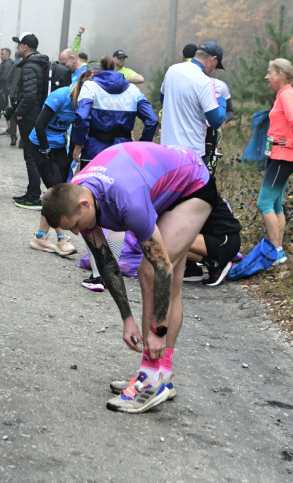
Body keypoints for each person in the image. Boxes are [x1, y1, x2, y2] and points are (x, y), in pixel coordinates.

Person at [42, 142, 216, 414]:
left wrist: (158, 331)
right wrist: (127, 318)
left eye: (75, 225)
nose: (77, 233)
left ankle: (150, 376)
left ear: (84, 204)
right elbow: (106, 262)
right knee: (172, 286)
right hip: (159, 184)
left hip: (192, 187)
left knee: (150, 272)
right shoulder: (78, 191)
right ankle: (162, 375)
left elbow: (162, 270)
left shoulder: (125, 199)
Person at [71, 57, 159, 170]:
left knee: (90, 187)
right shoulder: (133, 89)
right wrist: (142, 145)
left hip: (94, 152)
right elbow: (152, 120)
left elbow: (82, 116)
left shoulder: (89, 86)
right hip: (124, 153)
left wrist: (79, 144)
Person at [257, 58, 293, 265]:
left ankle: (276, 253)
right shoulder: (284, 94)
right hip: (278, 155)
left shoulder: (286, 95)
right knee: (275, 204)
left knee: (264, 202)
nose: (267, 76)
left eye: (270, 72)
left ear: (281, 75)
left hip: (283, 157)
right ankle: (279, 251)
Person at [28, 82, 78, 256]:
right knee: (57, 192)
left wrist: (72, 154)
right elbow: (39, 125)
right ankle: (61, 238)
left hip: (59, 146)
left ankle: (40, 237)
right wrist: (45, 150)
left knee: (56, 191)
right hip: (40, 144)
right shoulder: (61, 96)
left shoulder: (86, 102)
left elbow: (77, 129)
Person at [4, 32, 49, 209]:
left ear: (25, 47)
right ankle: (31, 191)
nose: (17, 48)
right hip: (36, 113)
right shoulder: (38, 63)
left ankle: (34, 196)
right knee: (30, 155)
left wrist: (20, 113)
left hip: (30, 115)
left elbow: (29, 95)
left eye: (19, 45)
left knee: (31, 156)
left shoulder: (30, 66)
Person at [159, 41, 227, 160]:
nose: (214, 70)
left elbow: (163, 99)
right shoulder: (204, 81)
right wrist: (221, 101)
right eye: (216, 65)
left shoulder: (172, 70)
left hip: (166, 150)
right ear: (213, 59)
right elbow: (216, 121)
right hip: (191, 154)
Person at [183, 194, 242, 286]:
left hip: (225, 241)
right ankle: (192, 269)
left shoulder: (201, 192)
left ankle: (216, 264)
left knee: (171, 239)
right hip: (210, 237)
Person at [0, 47, 14, 133]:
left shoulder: (7, 64)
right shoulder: (6, 63)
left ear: (7, 54)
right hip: (4, 89)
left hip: (3, 89)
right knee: (5, 109)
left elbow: (4, 77)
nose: (0, 56)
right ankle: (10, 128)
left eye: (2, 54)